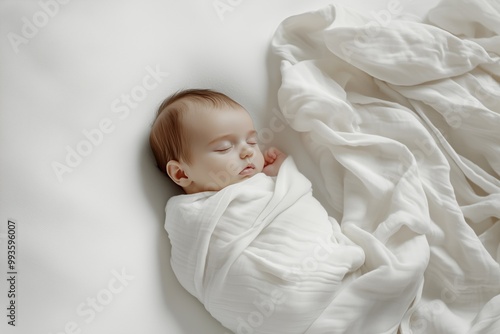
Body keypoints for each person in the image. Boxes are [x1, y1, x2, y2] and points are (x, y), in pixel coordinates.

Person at [149, 88, 287, 193]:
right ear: (182, 173)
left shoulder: (265, 183)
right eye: (224, 147)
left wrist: (279, 174)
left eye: (251, 141)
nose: (248, 151)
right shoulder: (194, 214)